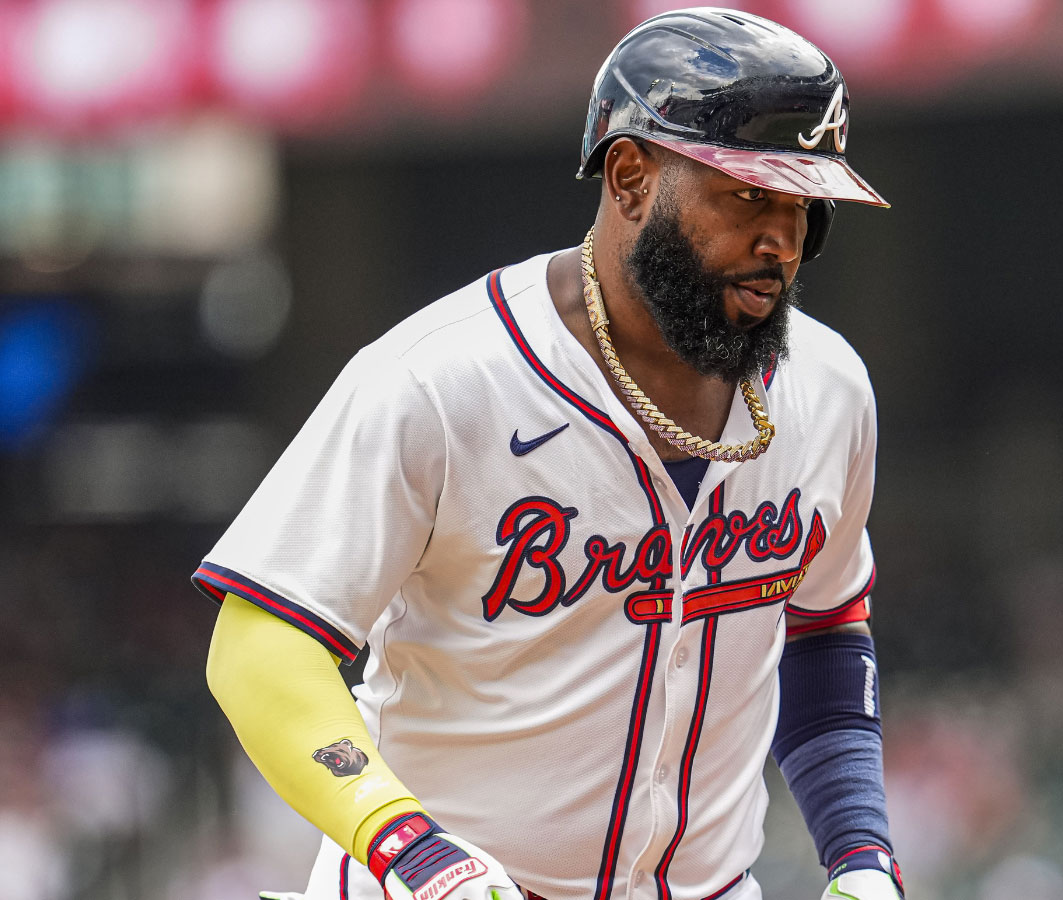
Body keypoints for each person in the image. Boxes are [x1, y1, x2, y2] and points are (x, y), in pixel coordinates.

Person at [197, 8, 902, 900]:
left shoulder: (827, 389)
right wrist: (410, 850)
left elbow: (825, 632)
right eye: (749, 195)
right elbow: (259, 647)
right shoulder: (439, 380)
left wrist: (861, 856)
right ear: (631, 176)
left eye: (803, 206)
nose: (782, 243)